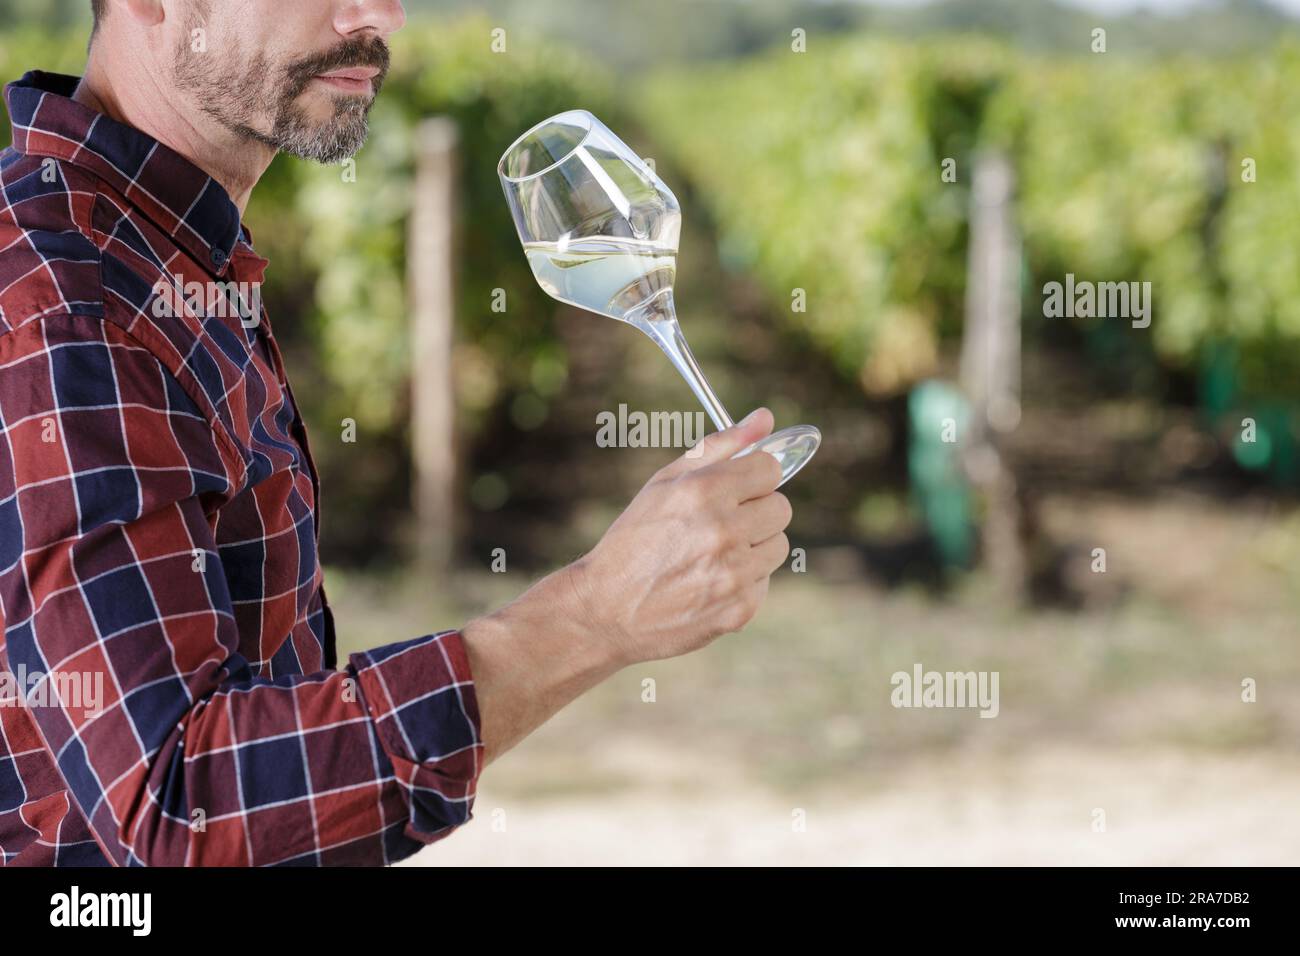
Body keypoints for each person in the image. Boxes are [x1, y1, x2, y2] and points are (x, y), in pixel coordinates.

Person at [0, 0, 792, 866]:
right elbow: (185, 806)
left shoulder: (161, 253)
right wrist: (592, 617)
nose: (381, 15)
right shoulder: (71, 310)